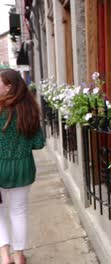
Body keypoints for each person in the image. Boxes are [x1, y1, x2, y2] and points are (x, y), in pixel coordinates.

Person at [0, 69, 44, 264]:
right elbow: (39, 143)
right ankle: (19, 257)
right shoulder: (29, 109)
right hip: (23, 168)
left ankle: (4, 257)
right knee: (18, 212)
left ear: (8, 86)